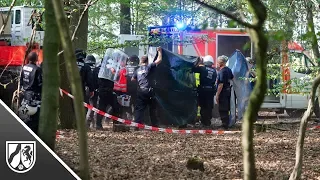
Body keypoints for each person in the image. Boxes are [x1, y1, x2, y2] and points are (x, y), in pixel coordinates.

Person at [96, 49, 127, 131]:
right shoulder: (110, 64)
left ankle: (113, 126)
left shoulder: (108, 64)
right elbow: (114, 74)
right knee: (108, 107)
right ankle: (102, 125)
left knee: (111, 107)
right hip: (106, 89)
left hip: (107, 89)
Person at [131, 47, 163, 129]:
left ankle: (136, 125)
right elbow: (159, 60)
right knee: (152, 108)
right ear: (147, 61)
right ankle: (155, 126)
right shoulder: (150, 66)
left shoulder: (137, 70)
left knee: (139, 109)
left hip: (141, 91)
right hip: (149, 91)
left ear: (141, 62)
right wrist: (159, 51)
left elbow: (132, 79)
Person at [19, 52, 42, 135]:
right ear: (36, 59)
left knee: (27, 115)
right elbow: (40, 84)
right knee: (35, 118)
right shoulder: (37, 69)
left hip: (25, 95)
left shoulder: (24, 67)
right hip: (34, 96)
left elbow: (21, 80)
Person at [192, 55, 217, 128]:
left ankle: (203, 122)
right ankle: (208, 122)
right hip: (211, 90)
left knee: (203, 106)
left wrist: (199, 61)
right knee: (209, 106)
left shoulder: (202, 68)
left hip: (203, 90)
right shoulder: (214, 70)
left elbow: (193, 69)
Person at [216, 55, 234, 129]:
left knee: (222, 108)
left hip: (223, 92)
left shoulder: (222, 71)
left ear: (221, 62)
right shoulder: (229, 70)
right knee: (226, 107)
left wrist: (217, 95)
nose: (217, 63)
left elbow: (221, 84)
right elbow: (232, 78)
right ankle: (226, 122)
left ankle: (224, 124)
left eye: (218, 62)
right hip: (228, 91)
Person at [85, 55, 100, 128]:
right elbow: (98, 80)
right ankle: (88, 124)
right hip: (93, 90)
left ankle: (91, 124)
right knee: (92, 107)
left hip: (83, 89)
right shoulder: (97, 69)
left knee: (87, 107)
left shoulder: (85, 67)